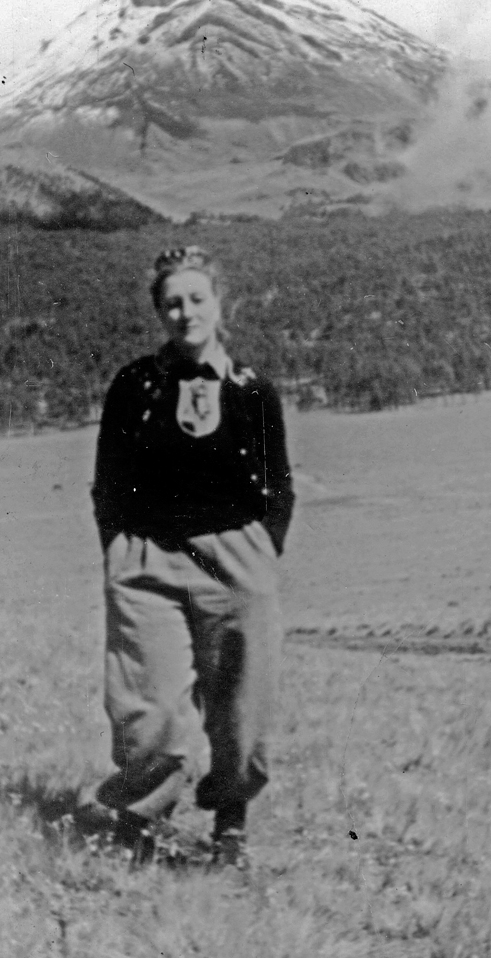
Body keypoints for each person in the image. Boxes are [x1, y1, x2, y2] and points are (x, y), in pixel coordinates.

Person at [90, 245, 295, 866]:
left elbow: (277, 486)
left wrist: (256, 558)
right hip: (147, 560)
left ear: (218, 303)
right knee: (146, 705)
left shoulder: (253, 391)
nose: (185, 313)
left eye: (196, 299)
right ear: (159, 311)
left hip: (235, 559)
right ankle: (141, 822)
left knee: (240, 705)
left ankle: (230, 821)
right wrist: (122, 555)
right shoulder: (135, 386)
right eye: (172, 303)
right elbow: (108, 481)